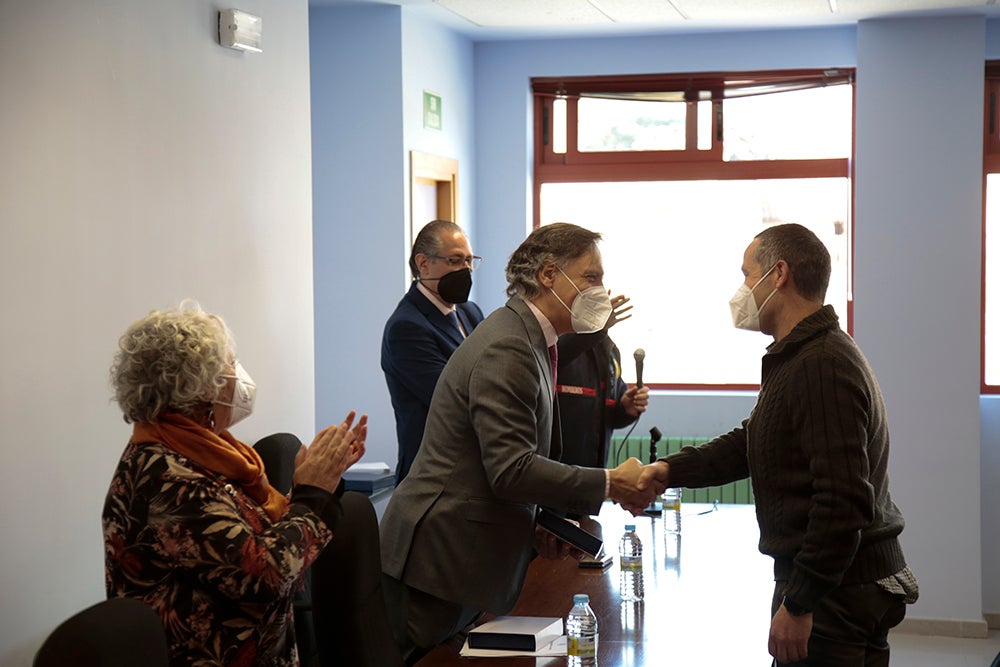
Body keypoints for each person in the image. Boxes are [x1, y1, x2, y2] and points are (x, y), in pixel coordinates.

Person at [638, 223, 918, 666]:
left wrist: (801, 602)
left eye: (747, 274)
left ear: (779, 274)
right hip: (840, 582)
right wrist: (667, 471)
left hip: (835, 592)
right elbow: (754, 440)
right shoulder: (803, 355)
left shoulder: (820, 363)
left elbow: (844, 500)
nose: (742, 289)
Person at [379, 222, 658, 664]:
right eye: (592, 277)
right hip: (440, 560)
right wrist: (610, 482)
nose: (601, 290)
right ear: (549, 275)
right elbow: (511, 469)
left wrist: (537, 524)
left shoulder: (533, 338)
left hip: (469, 554)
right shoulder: (508, 345)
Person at [103, 302, 367, 667]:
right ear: (198, 386)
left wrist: (315, 482)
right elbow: (266, 573)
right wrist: (312, 496)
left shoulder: (204, 453)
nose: (238, 374)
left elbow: (244, 535)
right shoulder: (167, 479)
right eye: (229, 363)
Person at [381, 219, 485, 483]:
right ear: (423, 264)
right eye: (455, 260)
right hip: (435, 479)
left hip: (475, 471)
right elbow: (455, 399)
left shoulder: (469, 312)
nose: (466, 269)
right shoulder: (407, 327)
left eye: (470, 260)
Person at [556, 293, 649, 471]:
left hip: (595, 476)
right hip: (557, 477)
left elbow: (608, 413)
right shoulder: (557, 344)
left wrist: (625, 407)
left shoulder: (610, 350)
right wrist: (594, 328)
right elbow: (560, 352)